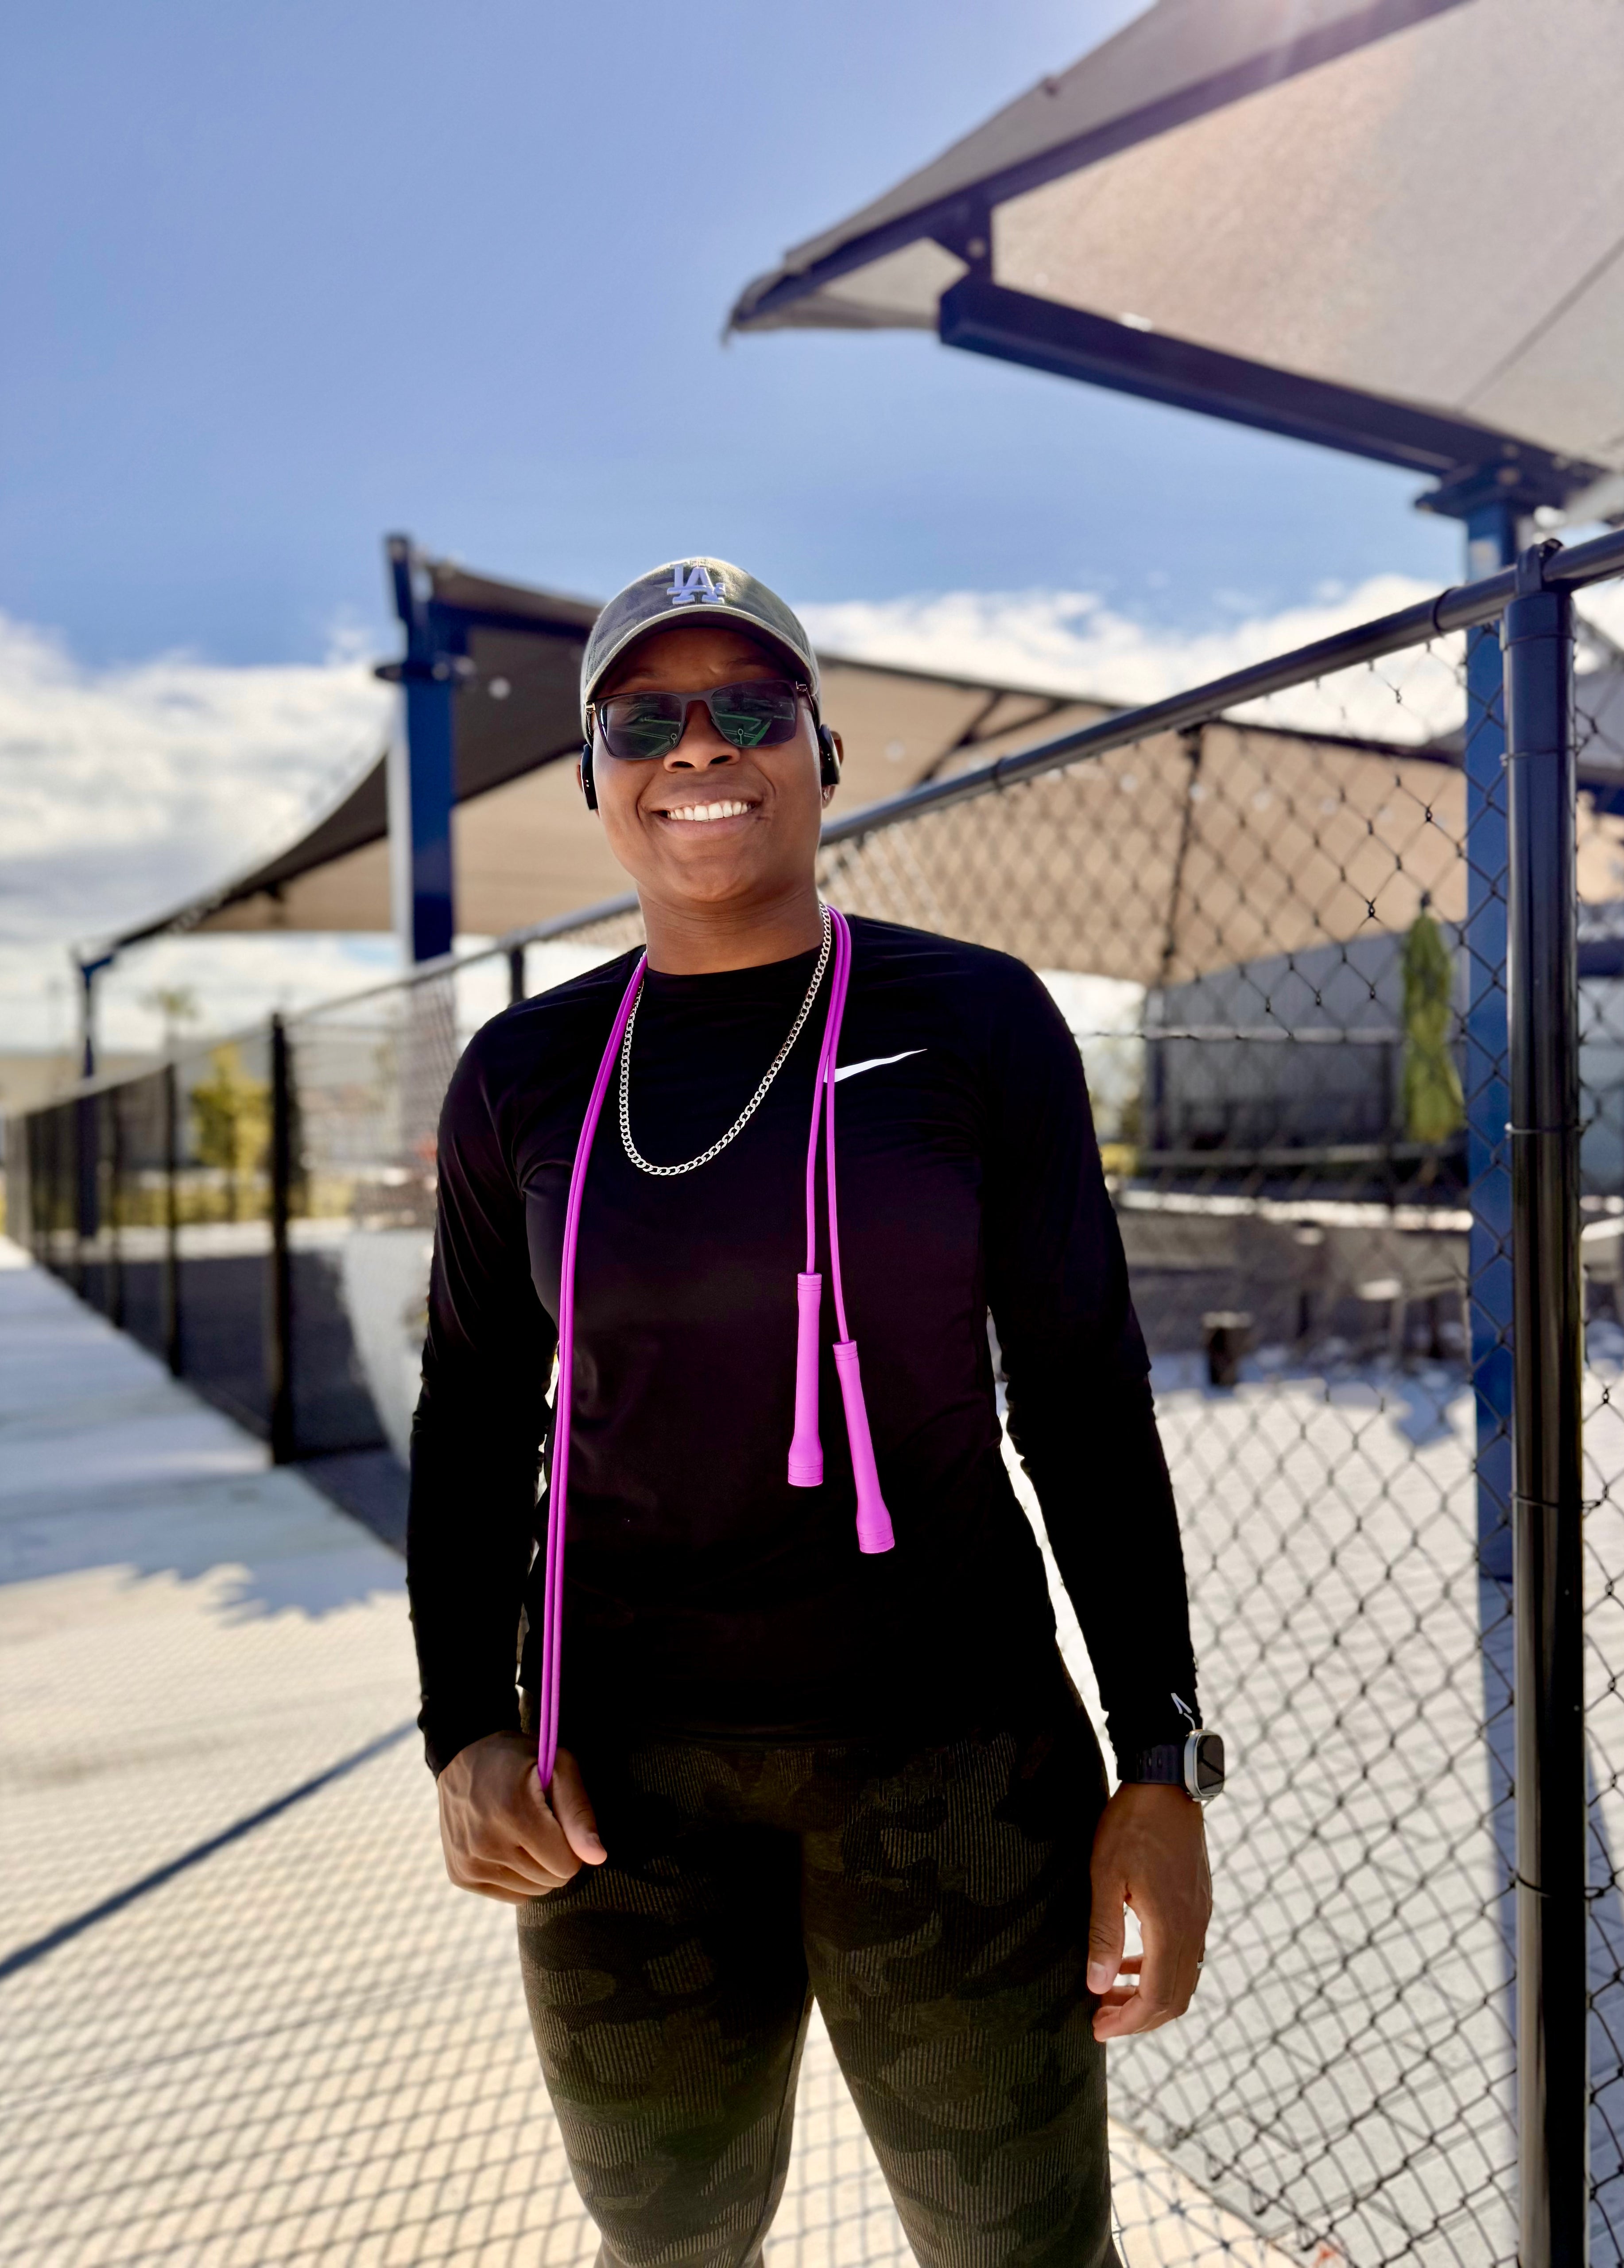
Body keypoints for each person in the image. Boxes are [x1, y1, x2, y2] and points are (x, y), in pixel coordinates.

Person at [407, 558, 1214, 2268]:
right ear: (596, 778)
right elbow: (474, 1412)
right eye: (646, 719)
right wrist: (462, 1723)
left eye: (750, 708)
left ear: (824, 756)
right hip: (617, 1787)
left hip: (953, 1759)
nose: (699, 747)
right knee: (669, 2253)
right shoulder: (523, 1074)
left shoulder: (975, 1020)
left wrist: (1161, 1759)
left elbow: (1083, 1393)